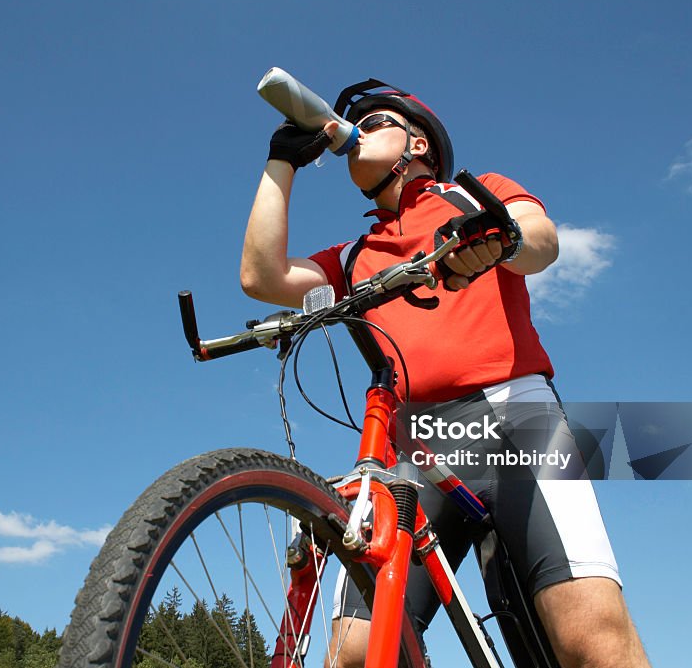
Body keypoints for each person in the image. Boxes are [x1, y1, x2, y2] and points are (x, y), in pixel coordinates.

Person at [240, 78, 651, 668]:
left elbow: (539, 240)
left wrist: (496, 238)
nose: (360, 130)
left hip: (514, 419)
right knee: (353, 653)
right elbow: (262, 277)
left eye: (379, 121)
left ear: (420, 144)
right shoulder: (353, 256)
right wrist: (281, 163)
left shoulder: (472, 196)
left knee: (591, 638)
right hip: (413, 446)